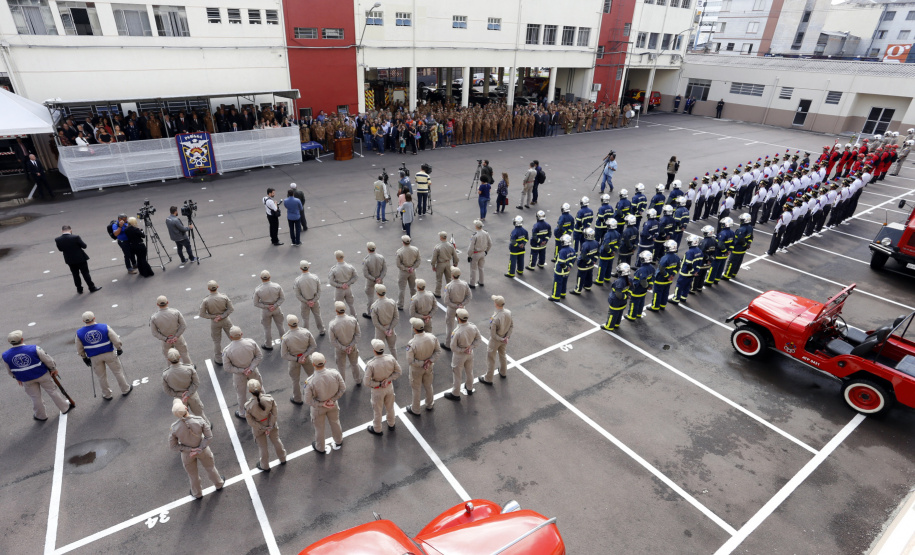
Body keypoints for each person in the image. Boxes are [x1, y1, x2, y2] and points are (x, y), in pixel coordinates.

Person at [3, 330, 72, 421]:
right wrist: (53, 369)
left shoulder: (5, 355)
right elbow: (47, 359)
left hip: (26, 379)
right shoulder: (34, 348)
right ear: (22, 339)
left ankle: (41, 416)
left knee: (35, 397)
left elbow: (10, 371)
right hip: (42, 374)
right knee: (52, 391)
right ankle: (64, 408)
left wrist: (17, 377)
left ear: (9, 342)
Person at [169, 398, 224, 499]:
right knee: (210, 468)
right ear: (186, 408)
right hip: (203, 450)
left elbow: (173, 446)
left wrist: (190, 450)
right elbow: (209, 437)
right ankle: (218, 483)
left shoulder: (174, 428)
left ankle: (197, 493)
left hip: (187, 454)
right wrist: (199, 448)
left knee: (193, 475)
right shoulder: (199, 420)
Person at [76, 311, 131, 399]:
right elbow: (115, 339)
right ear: (94, 318)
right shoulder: (104, 327)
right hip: (109, 353)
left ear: (83, 321)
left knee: (101, 377)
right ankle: (125, 389)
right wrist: (119, 348)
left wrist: (84, 357)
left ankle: (107, 394)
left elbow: (79, 348)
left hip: (94, 357)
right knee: (117, 372)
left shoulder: (79, 333)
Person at [303, 352, 346, 454]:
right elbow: (343, 388)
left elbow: (307, 400)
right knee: (335, 422)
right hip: (332, 404)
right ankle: (339, 440)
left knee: (319, 429)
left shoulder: (310, 381)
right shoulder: (335, 373)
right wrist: (333, 399)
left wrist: (322, 404)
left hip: (318, 408)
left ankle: (320, 447)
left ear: (313, 364)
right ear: (325, 362)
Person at [222, 326, 265, 419]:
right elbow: (259, 356)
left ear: (231, 336)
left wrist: (242, 370)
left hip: (239, 375)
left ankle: (242, 412)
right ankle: (265, 405)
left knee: (241, 395)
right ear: (242, 334)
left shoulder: (227, 350)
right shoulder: (251, 342)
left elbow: (227, 367)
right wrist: (251, 368)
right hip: (253, 371)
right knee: (259, 389)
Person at [244, 379, 287, 471]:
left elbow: (250, 421)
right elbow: (275, 413)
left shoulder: (248, 405)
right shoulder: (269, 398)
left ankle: (265, 466)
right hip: (270, 423)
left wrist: (263, 428)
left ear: (249, 391)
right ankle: (282, 458)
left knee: (263, 447)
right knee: (276, 441)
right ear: (260, 388)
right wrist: (270, 426)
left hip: (258, 429)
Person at [363, 339, 402, 436]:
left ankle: (377, 429)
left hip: (377, 391)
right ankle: (391, 424)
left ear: (374, 350)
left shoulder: (371, 364)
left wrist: (379, 384)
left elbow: (366, 382)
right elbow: (398, 372)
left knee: (377, 411)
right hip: (389, 387)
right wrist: (388, 379)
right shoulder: (391, 358)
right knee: (390, 407)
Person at [405, 318, 441, 415]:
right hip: (429, 366)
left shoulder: (412, 343)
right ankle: (430, 404)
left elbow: (410, 360)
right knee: (428, 385)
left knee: (416, 389)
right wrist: (429, 361)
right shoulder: (432, 337)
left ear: (414, 329)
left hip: (416, 369)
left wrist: (422, 363)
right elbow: (438, 351)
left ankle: (415, 409)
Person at [444, 308, 481, 401]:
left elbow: (453, 347)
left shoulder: (457, 332)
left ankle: (456, 394)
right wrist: (471, 347)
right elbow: (478, 340)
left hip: (459, 356)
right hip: (470, 353)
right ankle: (469, 388)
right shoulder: (473, 327)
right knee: (469, 372)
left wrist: (463, 350)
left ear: (458, 318)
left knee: (457, 375)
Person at [281, 314, 316, 405]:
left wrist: (297, 359)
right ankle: (316, 394)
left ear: (288, 324)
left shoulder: (286, 338)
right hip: (307, 358)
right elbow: (313, 346)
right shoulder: (306, 332)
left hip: (294, 361)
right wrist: (305, 355)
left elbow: (284, 355)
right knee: (313, 376)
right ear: (298, 322)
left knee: (295, 380)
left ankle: (297, 398)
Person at [55, 225, 101, 294]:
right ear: (70, 230)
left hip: (69, 260)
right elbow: (84, 246)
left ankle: (79, 289)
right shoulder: (75, 237)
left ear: (62, 231)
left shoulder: (58, 239)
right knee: (85, 273)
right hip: (80, 258)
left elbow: (60, 249)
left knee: (75, 274)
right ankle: (91, 287)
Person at [163, 348, 205, 420]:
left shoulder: (166, 374)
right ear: (179, 357)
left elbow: (167, 390)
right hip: (192, 395)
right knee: (200, 414)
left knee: (183, 418)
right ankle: (206, 427)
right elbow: (196, 383)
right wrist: (187, 394)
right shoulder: (189, 368)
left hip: (179, 399)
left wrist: (179, 395)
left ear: (168, 360)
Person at [150, 296, 192, 364]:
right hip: (178, 338)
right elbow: (183, 325)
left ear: (157, 304)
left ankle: (171, 371)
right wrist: (176, 336)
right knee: (184, 354)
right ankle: (190, 368)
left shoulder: (154, 317)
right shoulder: (175, 312)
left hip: (166, 340)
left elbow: (154, 332)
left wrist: (166, 339)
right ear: (167, 302)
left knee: (168, 357)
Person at [481, 295, 513, 384]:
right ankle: (503, 372)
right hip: (504, 339)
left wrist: (501, 339)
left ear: (496, 304)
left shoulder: (495, 318)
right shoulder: (509, 312)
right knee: (503, 355)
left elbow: (493, 334)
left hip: (495, 341)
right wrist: (506, 337)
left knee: (491, 359)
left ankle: (488, 379)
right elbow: (511, 326)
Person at [328, 301, 362, 384]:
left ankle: (342, 384)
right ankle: (358, 380)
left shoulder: (333, 324)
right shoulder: (353, 320)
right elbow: (358, 334)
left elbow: (333, 340)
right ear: (345, 309)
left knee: (341, 367)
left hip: (340, 349)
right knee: (354, 364)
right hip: (352, 347)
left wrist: (344, 348)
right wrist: (351, 345)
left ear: (336, 310)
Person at [254, 270, 286, 350]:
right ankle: (284, 343)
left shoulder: (258, 289)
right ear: (270, 277)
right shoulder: (277, 286)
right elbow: (282, 298)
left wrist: (267, 306)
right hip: (276, 308)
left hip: (266, 311)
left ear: (261, 278)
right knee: (280, 326)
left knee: (267, 328)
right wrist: (274, 305)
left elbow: (256, 303)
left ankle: (268, 344)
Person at [294, 260, 326, 336]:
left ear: (300, 268)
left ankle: (306, 333)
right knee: (317, 315)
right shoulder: (315, 277)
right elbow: (319, 291)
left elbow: (298, 295)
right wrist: (314, 300)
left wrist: (306, 301)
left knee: (305, 318)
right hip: (315, 301)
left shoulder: (298, 280)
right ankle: (321, 330)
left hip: (304, 303)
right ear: (309, 267)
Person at [442, 267, 471, 349]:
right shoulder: (464, 284)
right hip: (462, 307)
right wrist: (462, 304)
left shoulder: (449, 286)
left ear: (452, 275)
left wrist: (456, 306)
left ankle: (448, 344)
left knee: (449, 326)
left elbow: (446, 301)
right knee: (462, 326)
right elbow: (469, 296)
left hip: (452, 308)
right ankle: (461, 342)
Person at [649, 240, 679, 312]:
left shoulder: (665, 258)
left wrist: (668, 276)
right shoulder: (676, 257)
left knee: (657, 293)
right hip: (669, 280)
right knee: (665, 293)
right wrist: (672, 275)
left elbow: (661, 270)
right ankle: (662, 305)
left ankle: (655, 307)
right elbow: (677, 267)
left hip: (660, 279)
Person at [670, 235, 701, 304]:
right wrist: (696, 271)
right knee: (687, 286)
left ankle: (675, 299)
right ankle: (683, 297)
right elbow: (699, 263)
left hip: (685, 272)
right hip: (693, 273)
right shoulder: (699, 251)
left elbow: (688, 264)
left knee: (679, 285)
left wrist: (692, 271)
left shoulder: (689, 252)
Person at [626, 251, 655, 321]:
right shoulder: (652, 268)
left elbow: (643, 281)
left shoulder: (642, 270)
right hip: (644, 290)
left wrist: (646, 286)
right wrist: (650, 285)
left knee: (634, 302)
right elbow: (652, 277)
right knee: (641, 301)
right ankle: (639, 313)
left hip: (637, 289)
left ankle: (631, 316)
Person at [723, 214, 753, 280]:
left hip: (737, 248)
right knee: (738, 261)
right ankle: (734, 273)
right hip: (743, 249)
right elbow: (751, 237)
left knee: (732, 262)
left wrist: (745, 244)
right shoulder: (750, 227)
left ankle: (727, 275)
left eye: (741, 220)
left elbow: (740, 240)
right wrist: (748, 243)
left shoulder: (741, 230)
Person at [370, 284, 399, 352]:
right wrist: (390, 328)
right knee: (393, 348)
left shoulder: (374, 306)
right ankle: (395, 362)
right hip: (391, 327)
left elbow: (375, 322)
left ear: (377, 293)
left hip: (380, 329)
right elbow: (396, 317)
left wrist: (384, 330)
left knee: (379, 349)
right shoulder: (392, 302)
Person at [329, 250, 358, 316]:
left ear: (336, 258)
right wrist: (348, 284)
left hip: (339, 290)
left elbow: (331, 282)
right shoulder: (350, 266)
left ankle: (341, 319)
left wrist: (341, 285)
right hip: (348, 288)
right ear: (343, 256)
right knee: (351, 305)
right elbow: (355, 277)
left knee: (339, 306)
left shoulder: (334, 269)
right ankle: (354, 317)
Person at [362, 242, 387, 318]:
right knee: (382, 296)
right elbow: (384, 269)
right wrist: (380, 278)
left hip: (371, 281)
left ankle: (370, 313)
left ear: (368, 249)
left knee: (370, 297)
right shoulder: (381, 257)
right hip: (380, 280)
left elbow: (366, 274)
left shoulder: (366, 260)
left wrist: (374, 279)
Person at [571, 228, 599, 295]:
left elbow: (584, 256)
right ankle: (588, 286)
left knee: (580, 277)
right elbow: (597, 253)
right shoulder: (596, 243)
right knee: (589, 275)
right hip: (591, 264)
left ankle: (578, 290)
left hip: (583, 265)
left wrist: (590, 262)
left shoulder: (585, 244)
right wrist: (593, 261)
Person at [396, 235, 421, 309]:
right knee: (413, 288)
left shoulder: (400, 251)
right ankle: (415, 303)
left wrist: (406, 269)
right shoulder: (415, 249)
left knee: (402, 289)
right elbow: (418, 260)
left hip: (403, 272)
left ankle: (400, 304)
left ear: (403, 242)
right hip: (412, 271)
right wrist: (412, 268)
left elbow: (398, 264)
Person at [431, 231, 459, 297]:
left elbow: (434, 258)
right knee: (449, 279)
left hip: (440, 264)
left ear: (441, 237)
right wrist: (455, 263)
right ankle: (450, 292)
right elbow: (455, 256)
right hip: (448, 263)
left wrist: (433, 265)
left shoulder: (438, 247)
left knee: (439, 280)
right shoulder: (450, 245)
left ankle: (437, 293)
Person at [549, 234, 575, 302]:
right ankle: (563, 293)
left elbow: (561, 263)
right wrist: (569, 267)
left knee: (557, 283)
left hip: (560, 271)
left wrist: (566, 268)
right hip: (567, 271)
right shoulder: (572, 250)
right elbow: (573, 260)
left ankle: (555, 296)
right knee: (564, 282)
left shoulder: (562, 251)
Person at [467, 220, 492, 288]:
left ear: (476, 226)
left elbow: (471, 247)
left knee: (473, 269)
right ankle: (481, 281)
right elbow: (490, 243)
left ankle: (472, 283)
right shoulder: (486, 233)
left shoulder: (475, 235)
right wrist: (486, 251)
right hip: (483, 253)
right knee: (481, 268)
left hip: (475, 253)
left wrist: (469, 255)